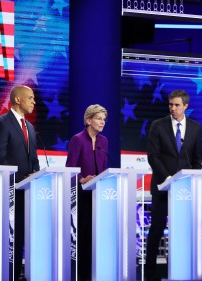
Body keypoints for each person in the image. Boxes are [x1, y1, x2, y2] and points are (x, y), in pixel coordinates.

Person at [145, 89, 202, 280]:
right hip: (163, 187)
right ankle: (151, 273)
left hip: (184, 191)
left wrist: (189, 180)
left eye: (177, 105)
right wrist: (168, 177)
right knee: (157, 229)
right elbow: (153, 156)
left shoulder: (195, 128)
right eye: (170, 104)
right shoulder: (158, 125)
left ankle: (180, 270)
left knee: (182, 231)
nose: (173, 108)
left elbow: (197, 160)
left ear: (186, 106)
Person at [0, 85, 40, 280]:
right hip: (10, 190)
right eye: (30, 98)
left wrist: (34, 175)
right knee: (10, 235)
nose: (34, 102)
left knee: (23, 233)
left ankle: (19, 272)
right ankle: (7, 273)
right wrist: (17, 180)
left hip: (28, 191)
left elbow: (33, 158)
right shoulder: (2, 123)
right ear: (18, 100)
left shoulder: (31, 127)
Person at [65, 104, 108, 281]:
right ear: (88, 120)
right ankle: (82, 275)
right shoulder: (77, 139)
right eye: (98, 118)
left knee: (95, 236)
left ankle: (94, 273)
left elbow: (104, 167)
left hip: (98, 194)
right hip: (82, 195)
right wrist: (82, 179)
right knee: (83, 235)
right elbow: (70, 168)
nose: (102, 122)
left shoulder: (104, 141)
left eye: (104, 119)